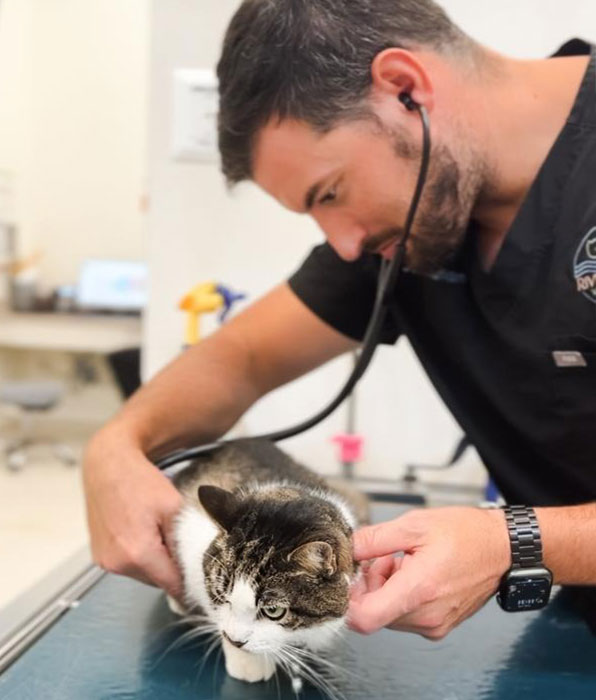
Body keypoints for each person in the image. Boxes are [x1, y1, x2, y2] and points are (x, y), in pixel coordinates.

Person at [83, 0, 596, 640]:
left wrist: (517, 539)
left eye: (329, 192)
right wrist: (114, 447)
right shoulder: (404, 228)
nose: (346, 245)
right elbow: (239, 359)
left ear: (405, 88)